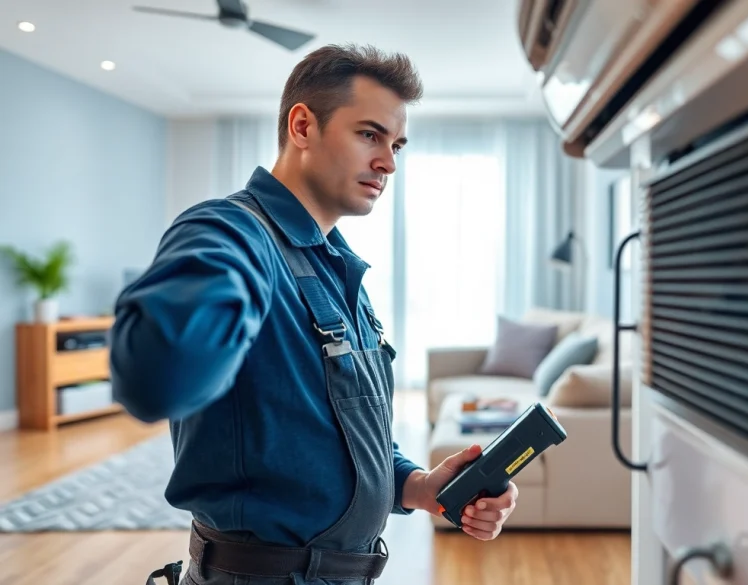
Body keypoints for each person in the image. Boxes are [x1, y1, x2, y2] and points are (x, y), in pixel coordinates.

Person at [111, 44, 518, 585]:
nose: (389, 162)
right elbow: (156, 380)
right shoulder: (232, 233)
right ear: (302, 125)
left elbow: (339, 431)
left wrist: (419, 486)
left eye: (396, 144)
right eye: (369, 134)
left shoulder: (338, 267)